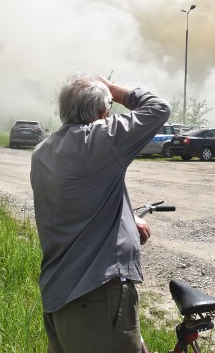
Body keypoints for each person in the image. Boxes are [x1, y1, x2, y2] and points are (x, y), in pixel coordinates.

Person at [30, 74, 170, 353]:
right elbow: (158, 108)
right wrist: (113, 89)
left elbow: (78, 202)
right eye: (108, 107)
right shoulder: (102, 138)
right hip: (97, 296)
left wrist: (128, 219)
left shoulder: (43, 151)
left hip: (60, 296)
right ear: (101, 111)